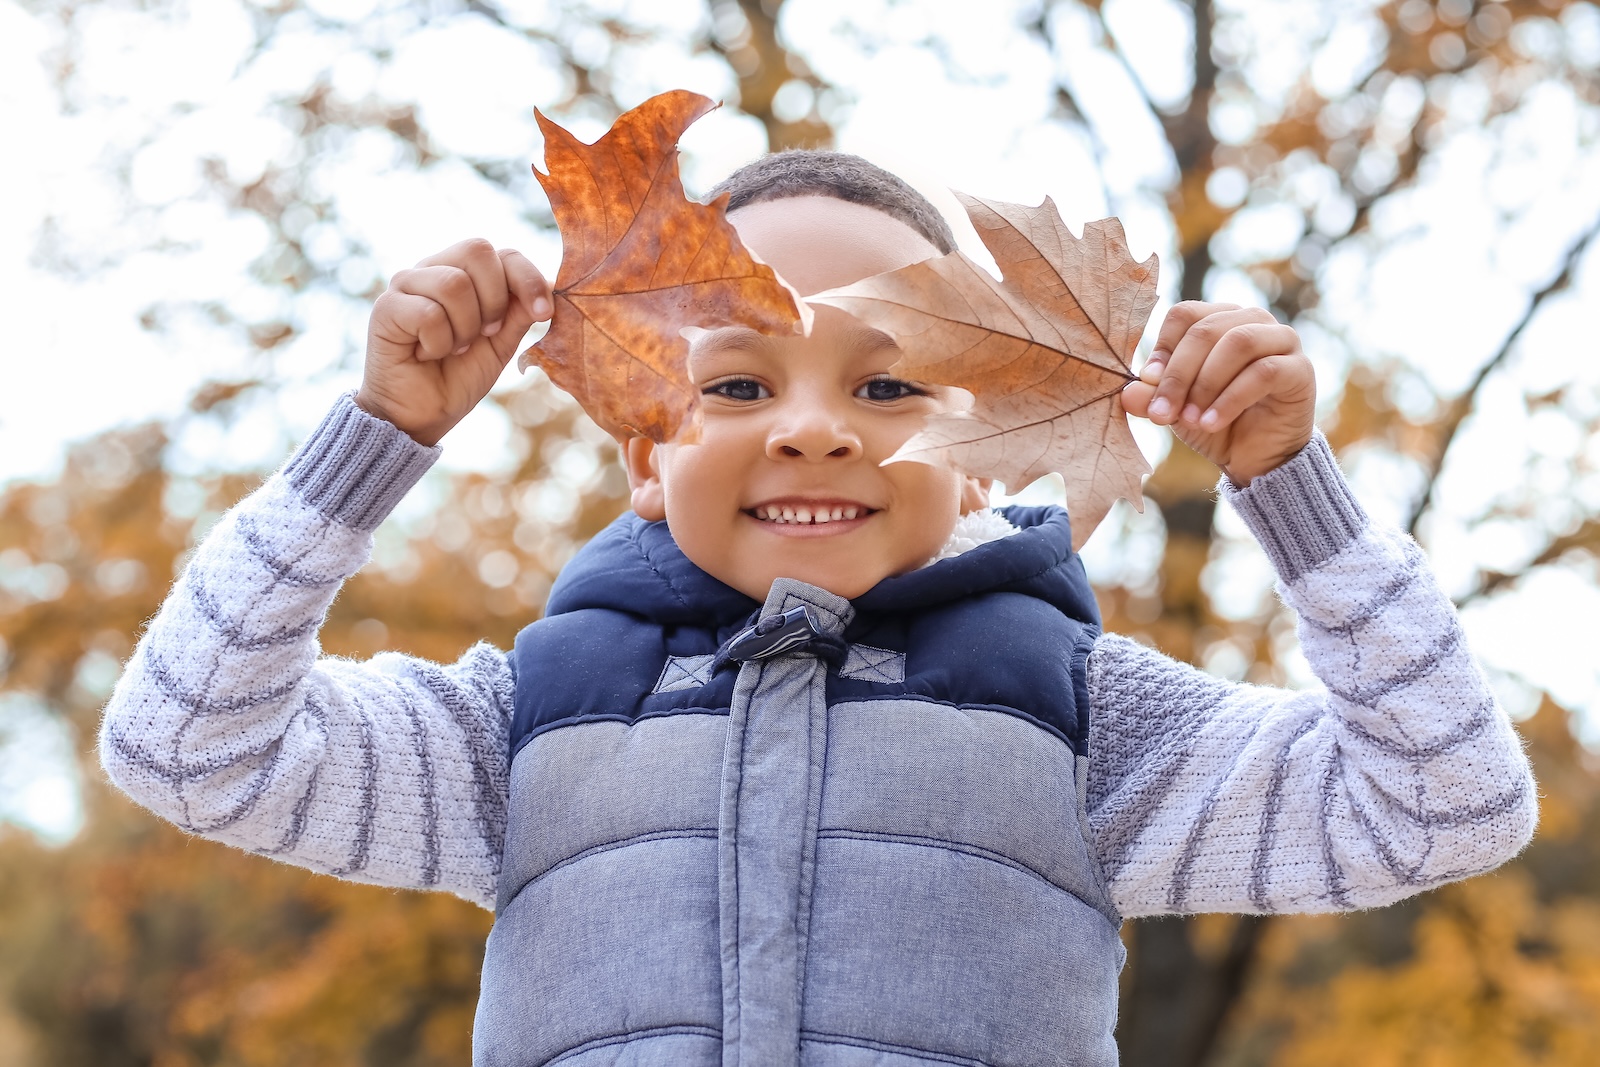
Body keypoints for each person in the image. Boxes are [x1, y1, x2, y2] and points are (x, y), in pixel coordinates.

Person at [99, 151, 1537, 1067]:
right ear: (646, 459)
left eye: (888, 383)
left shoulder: (1091, 721)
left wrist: (1296, 494)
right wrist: (373, 444)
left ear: (987, 460)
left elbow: (1444, 802)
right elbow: (187, 748)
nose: (811, 431)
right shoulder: (523, 725)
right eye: (736, 385)